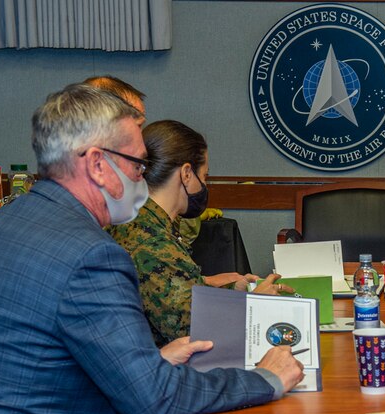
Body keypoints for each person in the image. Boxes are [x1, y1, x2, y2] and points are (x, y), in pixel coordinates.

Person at [0, 84, 304, 414]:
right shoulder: (89, 254)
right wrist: (265, 378)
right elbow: (153, 396)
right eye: (137, 165)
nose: (141, 177)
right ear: (98, 165)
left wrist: (151, 359)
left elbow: (53, 356)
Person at [108, 120, 290, 347]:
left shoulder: (140, 221)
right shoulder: (152, 242)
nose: (205, 186)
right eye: (204, 177)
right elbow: (192, 330)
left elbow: (177, 299)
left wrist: (234, 291)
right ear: (186, 174)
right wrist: (254, 303)